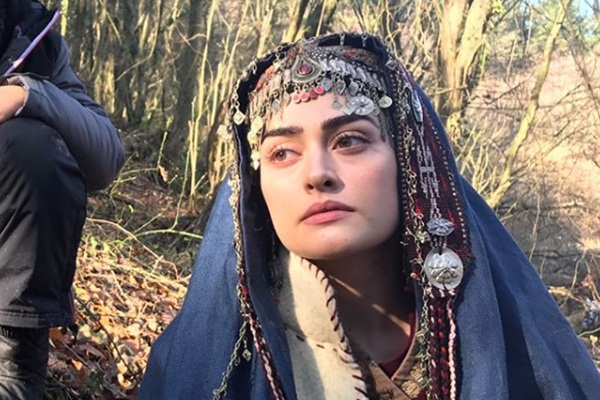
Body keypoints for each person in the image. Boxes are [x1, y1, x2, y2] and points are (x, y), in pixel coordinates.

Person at [139, 32, 600, 399]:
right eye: (282, 152)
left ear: (409, 160)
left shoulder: (510, 341)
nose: (317, 174)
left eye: (349, 141)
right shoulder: (196, 365)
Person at [0, 1, 124, 398]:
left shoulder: (31, 39)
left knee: (33, 150)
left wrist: (26, 94)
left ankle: (14, 367)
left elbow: (106, 157)